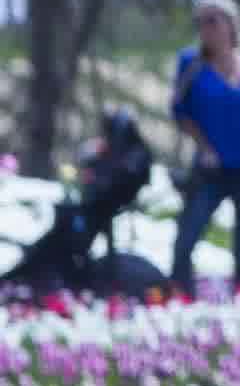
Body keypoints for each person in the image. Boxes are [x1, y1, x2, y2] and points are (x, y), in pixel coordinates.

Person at [166, 0, 240, 296]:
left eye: (212, 20)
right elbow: (179, 112)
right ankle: (179, 297)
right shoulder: (191, 65)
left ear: (230, 24)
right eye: (200, 22)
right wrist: (204, 145)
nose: (206, 28)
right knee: (187, 238)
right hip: (210, 169)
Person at [11, 112, 157, 288]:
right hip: (93, 206)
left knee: (70, 230)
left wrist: (100, 176)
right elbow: (95, 171)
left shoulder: (135, 154)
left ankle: (66, 274)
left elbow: (120, 180)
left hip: (104, 206)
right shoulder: (112, 150)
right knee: (63, 228)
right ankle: (33, 271)